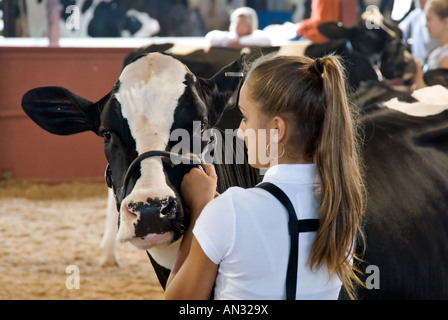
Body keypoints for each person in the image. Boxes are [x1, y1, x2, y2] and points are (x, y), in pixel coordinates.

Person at [164, 54, 365, 300]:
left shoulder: (230, 210)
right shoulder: (342, 210)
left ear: (277, 129)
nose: (240, 131)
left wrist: (199, 210)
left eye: (246, 117)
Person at [414, 0, 448, 88]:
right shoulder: (437, 52)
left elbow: (434, 98)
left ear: (446, 22)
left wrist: (417, 69)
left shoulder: (446, 58)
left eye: (429, 19)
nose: (426, 25)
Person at [205, 7, 271, 47]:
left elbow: (267, 41)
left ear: (249, 26)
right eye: (234, 23)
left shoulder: (256, 36)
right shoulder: (231, 37)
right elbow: (210, 37)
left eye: (240, 24)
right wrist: (233, 41)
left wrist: (239, 43)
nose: (236, 26)